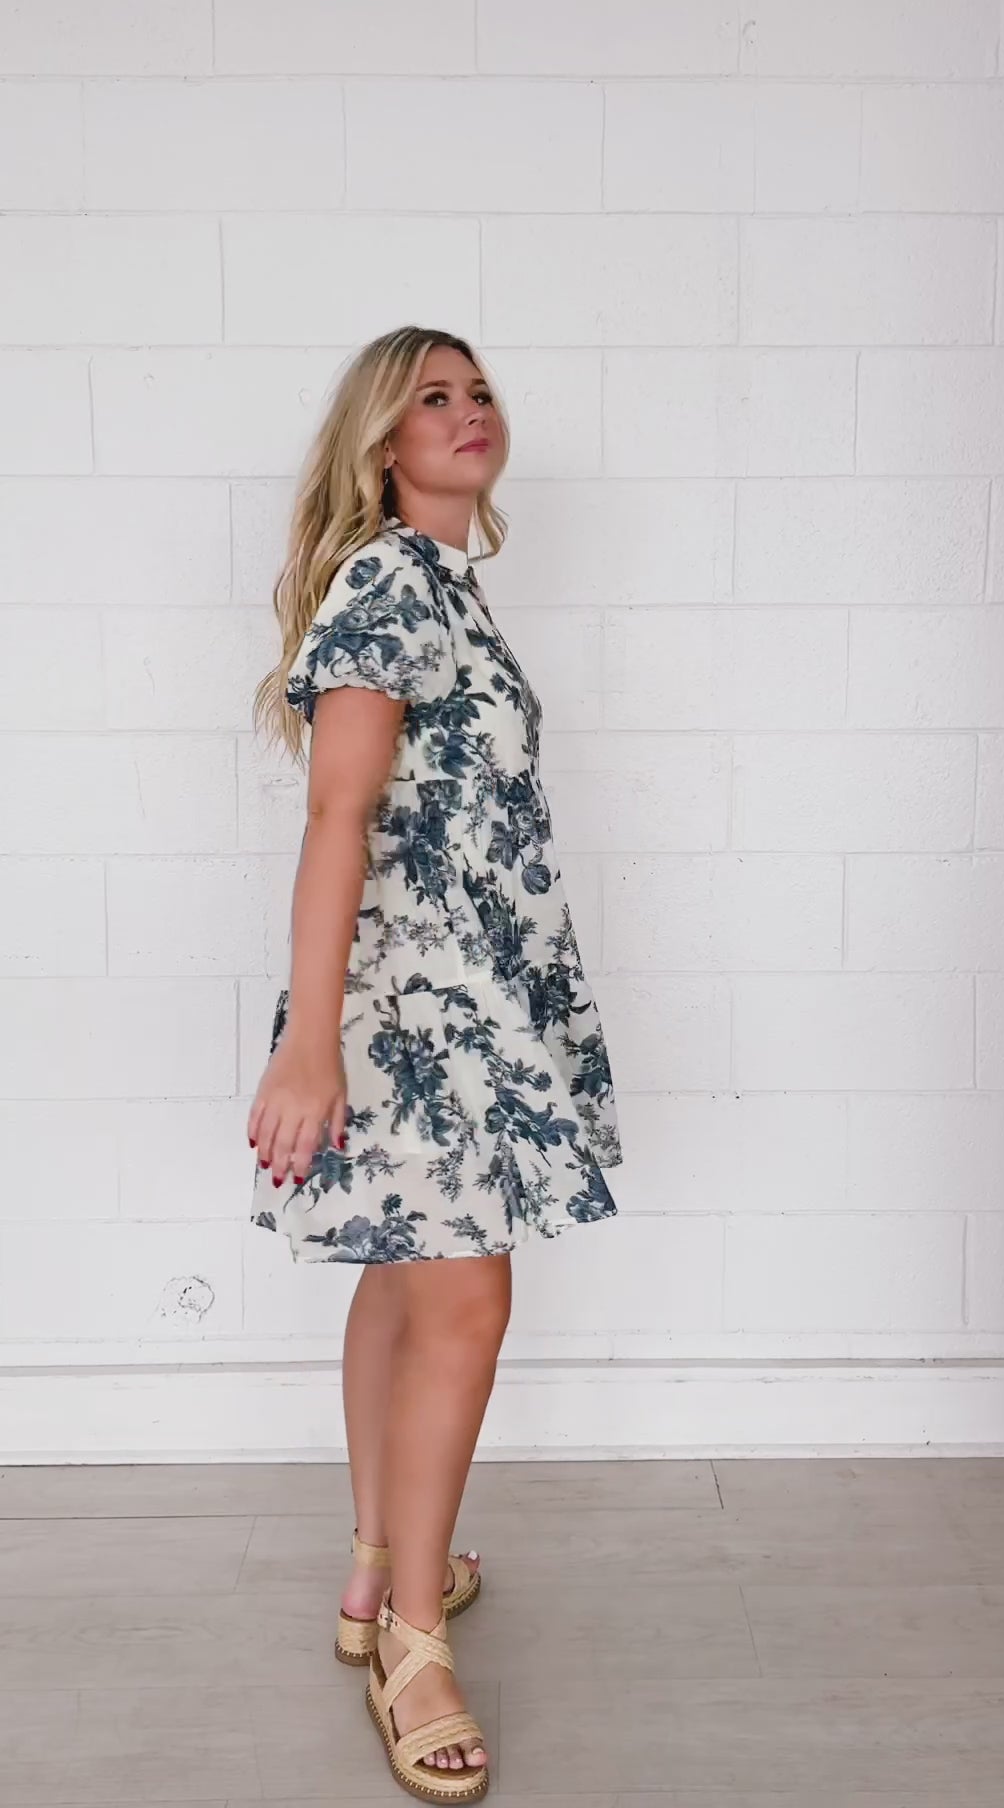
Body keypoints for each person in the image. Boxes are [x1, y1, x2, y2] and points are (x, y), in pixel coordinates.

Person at [246, 325, 621, 1799]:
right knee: (468, 1300)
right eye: (431, 398)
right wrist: (311, 1044)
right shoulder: (391, 582)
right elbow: (336, 816)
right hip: (415, 1015)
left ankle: (376, 1569)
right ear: (382, 443)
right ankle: (413, 1644)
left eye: (479, 392)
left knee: (409, 1282)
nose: (468, 412)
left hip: (464, 1002)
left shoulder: (442, 587)